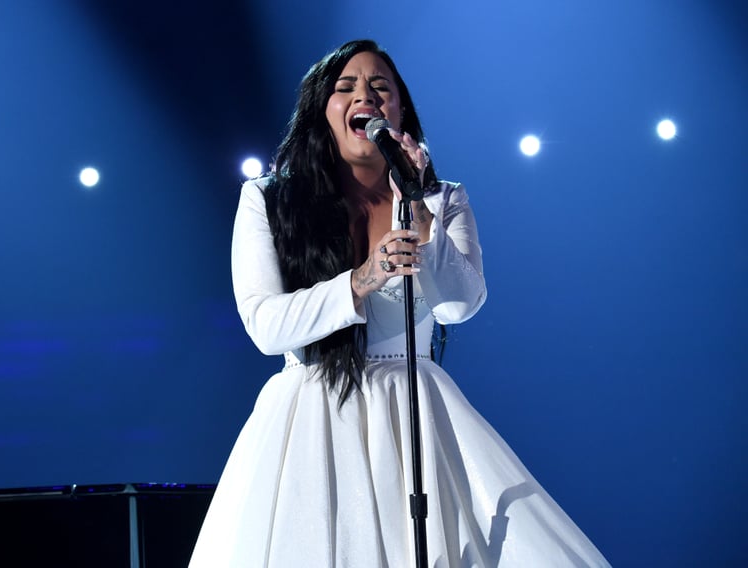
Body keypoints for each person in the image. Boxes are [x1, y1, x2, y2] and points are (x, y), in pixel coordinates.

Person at [189, 39, 609, 567]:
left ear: (400, 111)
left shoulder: (442, 198)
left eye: (380, 87)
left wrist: (415, 206)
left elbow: (459, 304)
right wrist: (362, 278)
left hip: (415, 408)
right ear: (324, 111)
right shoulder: (270, 200)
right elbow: (266, 327)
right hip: (312, 416)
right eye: (345, 88)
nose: (364, 95)